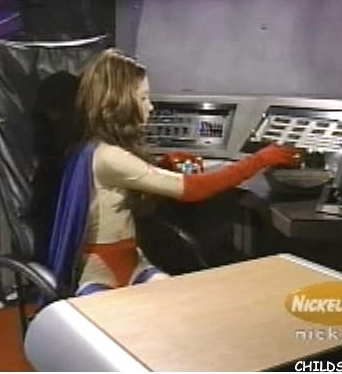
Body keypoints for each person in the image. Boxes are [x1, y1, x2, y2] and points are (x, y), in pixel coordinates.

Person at [45, 48, 299, 296]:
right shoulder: (108, 156)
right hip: (101, 272)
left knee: (178, 304)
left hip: (133, 263)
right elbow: (193, 189)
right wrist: (260, 159)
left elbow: (135, 185)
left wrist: (163, 168)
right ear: (118, 103)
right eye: (142, 98)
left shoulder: (103, 147)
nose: (150, 107)